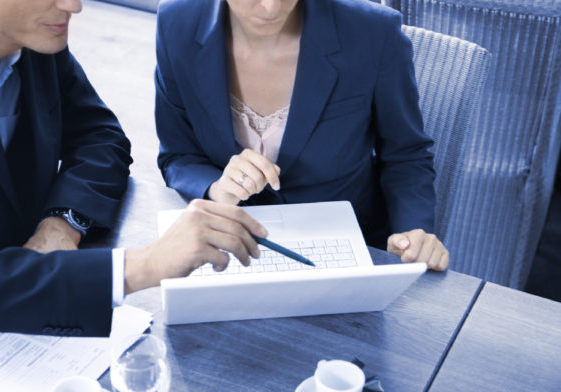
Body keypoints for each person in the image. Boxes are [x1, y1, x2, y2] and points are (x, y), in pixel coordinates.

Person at [0, 0, 266, 336]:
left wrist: (62, 224)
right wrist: (143, 265)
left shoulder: (32, 43)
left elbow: (101, 137)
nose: (74, 6)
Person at [154, 0, 449, 270]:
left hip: (346, 252)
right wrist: (216, 187)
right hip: (229, 247)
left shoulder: (373, 32)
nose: (270, 7)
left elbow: (405, 156)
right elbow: (178, 155)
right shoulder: (176, 23)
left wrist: (412, 233)